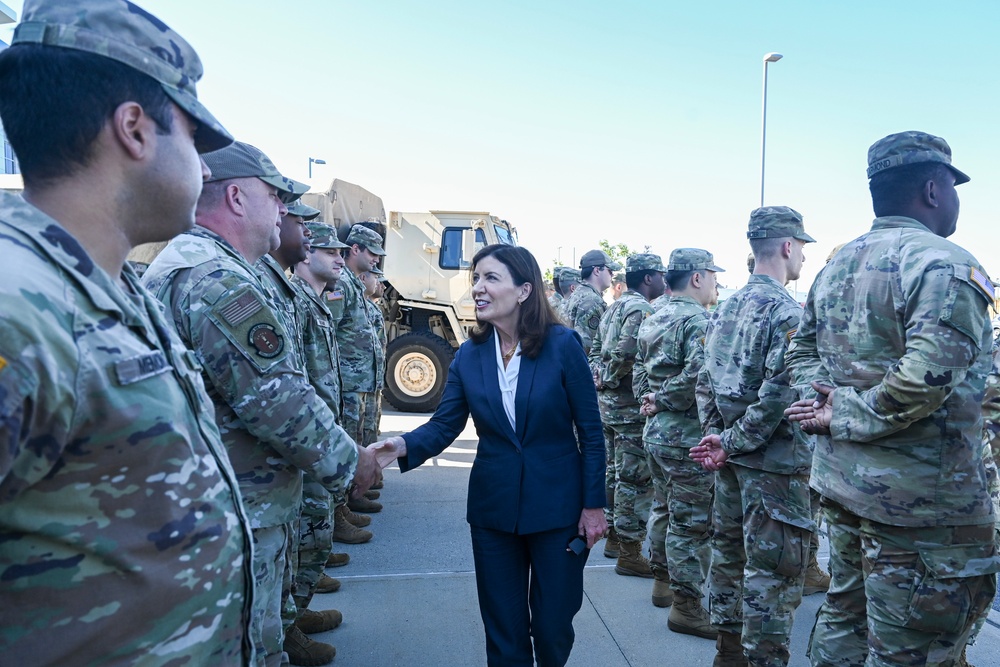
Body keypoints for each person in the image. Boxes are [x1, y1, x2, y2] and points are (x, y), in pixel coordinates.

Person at [0, 1, 253, 664]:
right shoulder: (17, 306)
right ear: (135, 130)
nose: (202, 169)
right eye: (194, 140)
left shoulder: (109, 282)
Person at [142, 141, 378, 667]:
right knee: (253, 645)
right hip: (239, 509)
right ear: (236, 197)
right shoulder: (220, 281)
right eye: (275, 196)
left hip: (215, 502)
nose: (284, 210)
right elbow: (279, 401)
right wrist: (351, 464)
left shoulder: (191, 263)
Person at [785, 131, 1000, 666]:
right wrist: (844, 411)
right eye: (954, 186)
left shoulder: (837, 264)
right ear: (933, 189)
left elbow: (800, 355)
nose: (955, 199)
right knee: (914, 645)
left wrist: (828, 405)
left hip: (845, 485)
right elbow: (925, 377)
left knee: (847, 620)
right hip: (922, 509)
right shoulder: (943, 264)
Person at [369, 244, 606, 667]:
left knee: (552, 628)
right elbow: (445, 425)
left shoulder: (563, 345)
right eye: (475, 278)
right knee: (503, 631)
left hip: (558, 510)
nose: (477, 288)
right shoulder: (469, 356)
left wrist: (594, 506)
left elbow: (590, 433)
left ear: (523, 290)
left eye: (490, 278)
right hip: (494, 512)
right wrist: (400, 446)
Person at [691, 207, 816, 667]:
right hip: (773, 467)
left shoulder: (725, 308)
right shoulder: (786, 313)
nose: (801, 255)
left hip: (731, 459)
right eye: (801, 246)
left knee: (727, 555)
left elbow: (704, 382)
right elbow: (778, 396)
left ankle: (728, 654)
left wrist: (716, 438)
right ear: (787, 246)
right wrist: (731, 441)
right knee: (774, 576)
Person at [634, 248, 722, 639]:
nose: (716, 283)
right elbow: (699, 374)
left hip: (656, 432)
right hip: (685, 437)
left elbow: (637, 366)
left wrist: (649, 399)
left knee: (663, 508)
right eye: (713, 276)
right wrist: (664, 399)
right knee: (692, 524)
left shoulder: (656, 315)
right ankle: (687, 608)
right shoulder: (697, 319)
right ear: (698, 278)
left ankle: (663, 583)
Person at [589, 253, 666, 574]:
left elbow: (594, 348)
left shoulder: (616, 305)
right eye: (660, 274)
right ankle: (630, 552)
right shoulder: (640, 309)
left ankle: (615, 538)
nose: (665, 280)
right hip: (627, 408)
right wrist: (607, 376)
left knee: (615, 472)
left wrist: (597, 375)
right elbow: (625, 352)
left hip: (608, 406)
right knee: (634, 479)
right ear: (648, 278)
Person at [564, 249, 622, 355]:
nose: (612, 274)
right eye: (609, 270)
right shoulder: (592, 301)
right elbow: (588, 348)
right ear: (596, 270)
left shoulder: (578, 293)